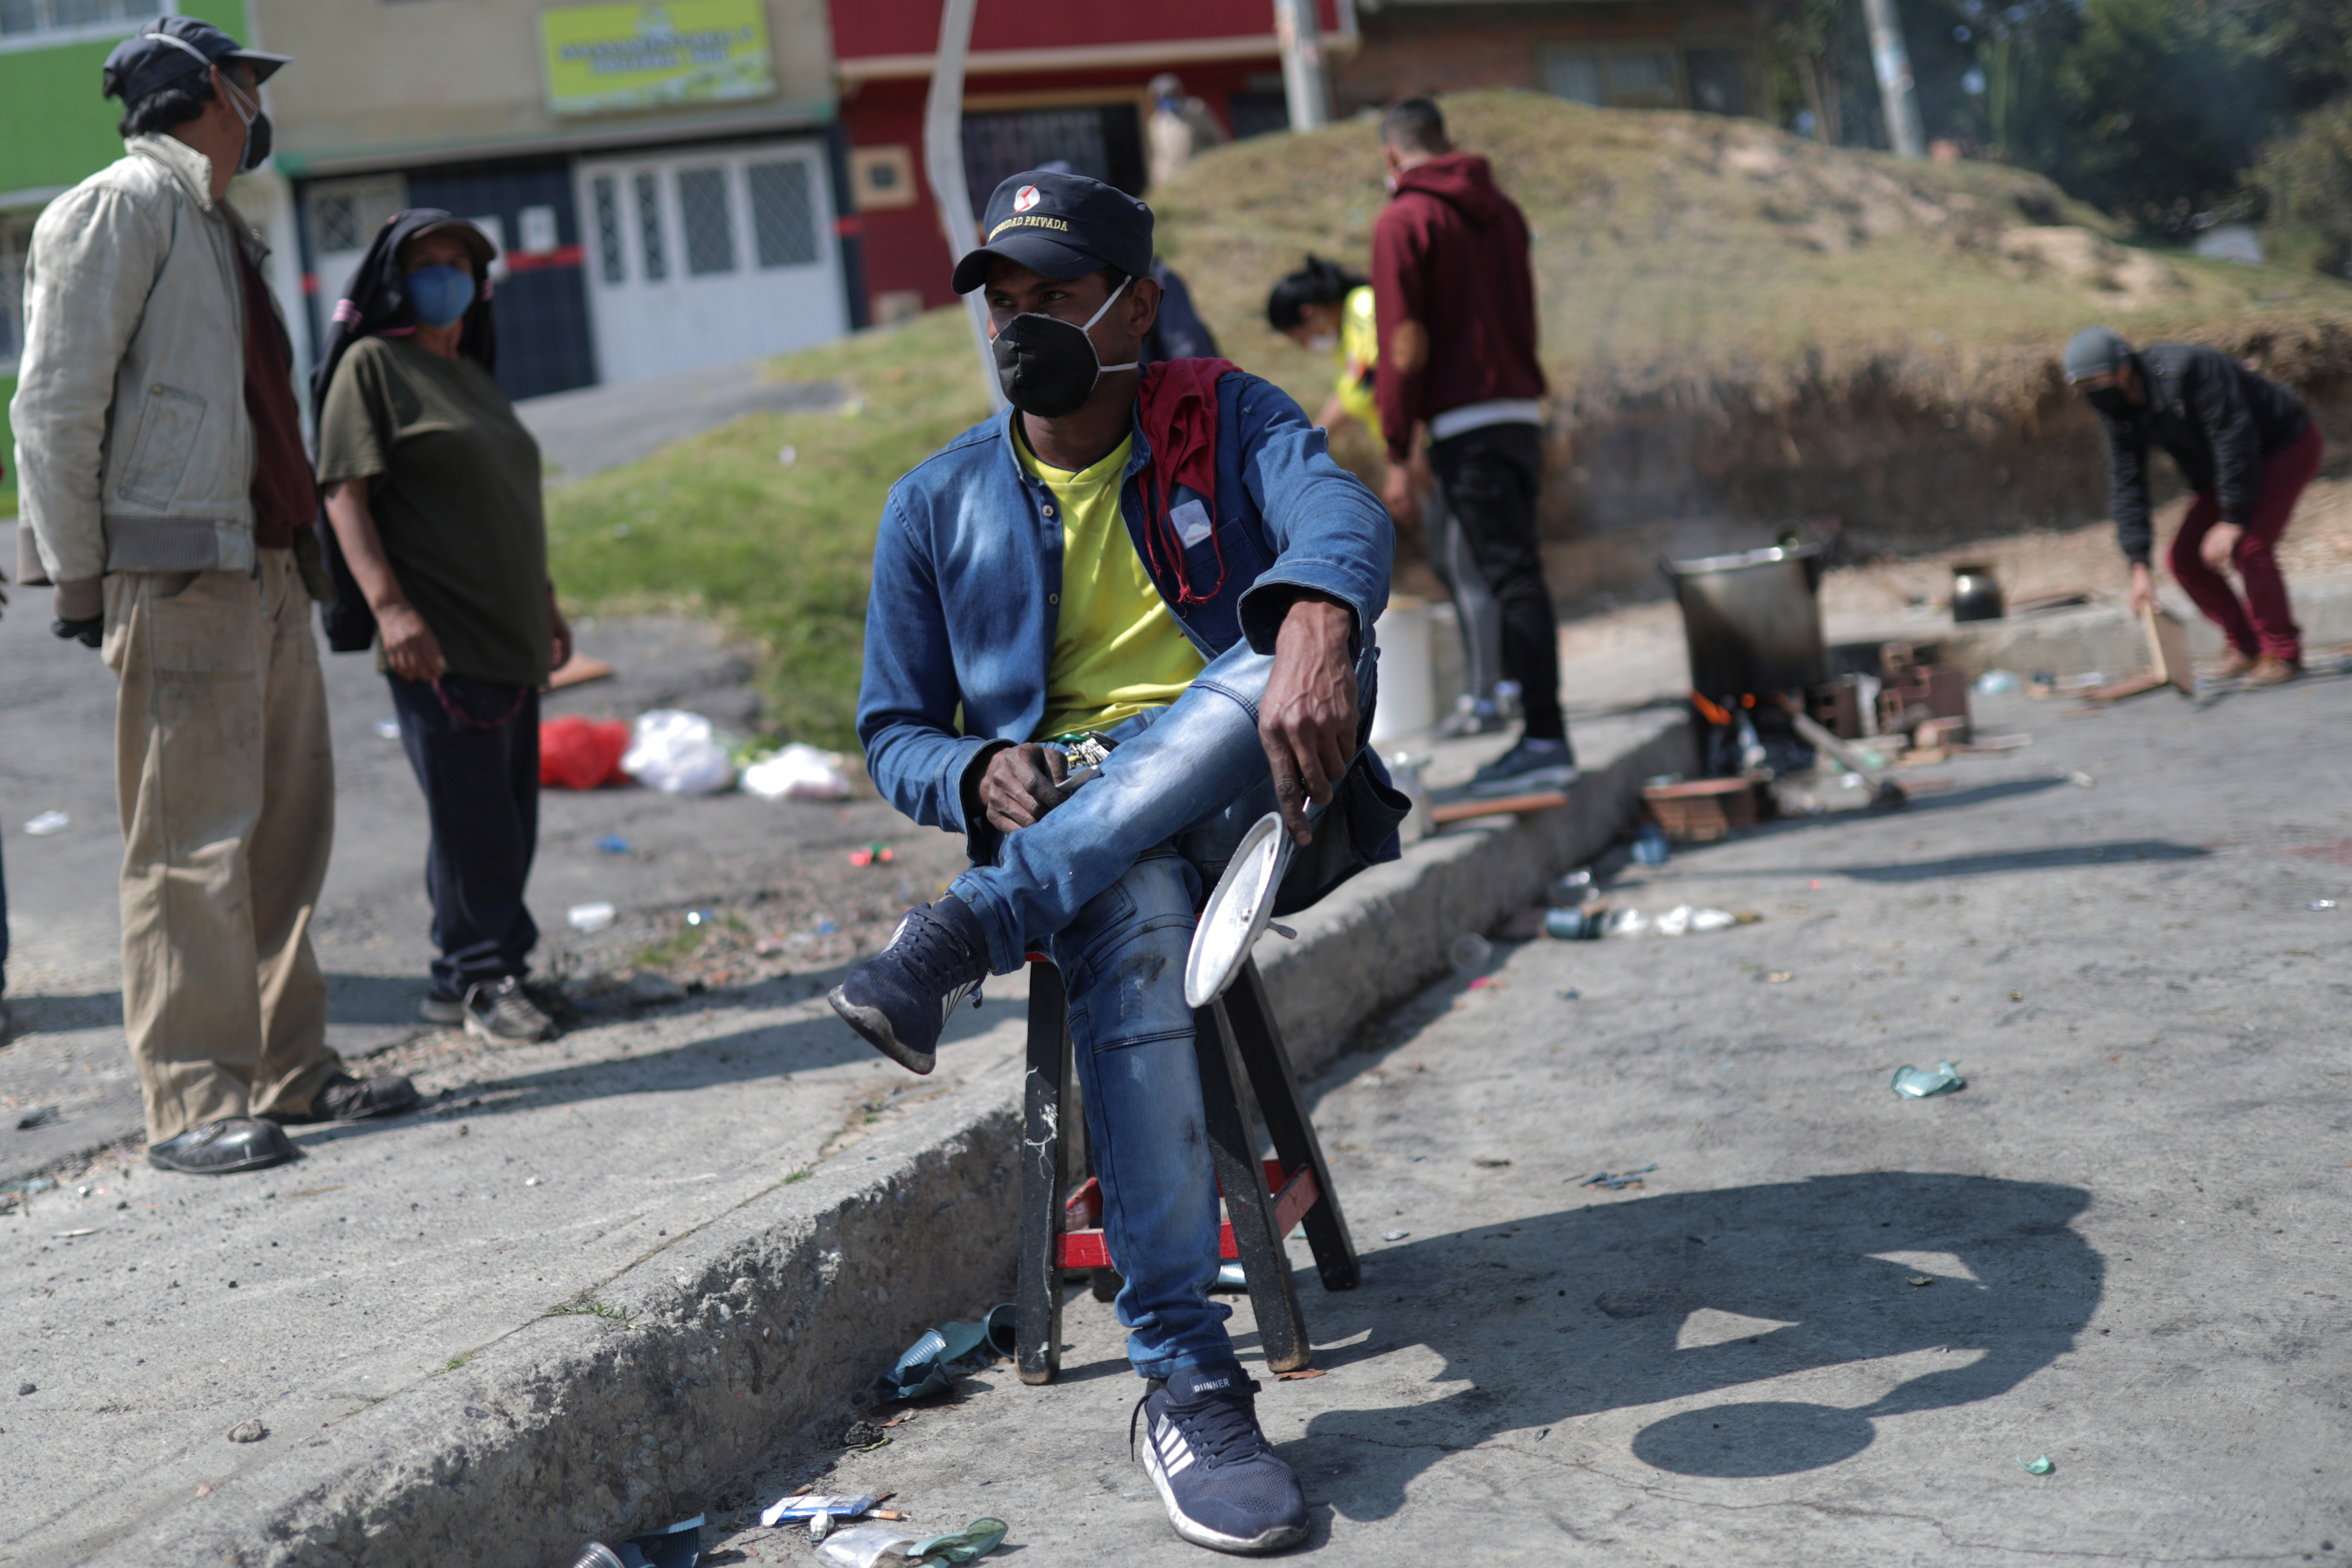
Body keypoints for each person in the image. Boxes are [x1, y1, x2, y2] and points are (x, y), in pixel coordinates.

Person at [830, 169, 1403, 1555]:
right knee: (1127, 895)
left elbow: (1336, 513)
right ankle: (1189, 1384)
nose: (1023, 327)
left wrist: (1325, 610)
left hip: (1253, 797)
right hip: (1094, 833)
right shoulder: (936, 503)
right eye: (1004, 304)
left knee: (1269, 647)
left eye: (1058, 297)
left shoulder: (1225, 414)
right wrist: (971, 769)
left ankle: (961, 931)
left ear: (1134, 305)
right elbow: (892, 730)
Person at [8, 17, 416, 1176]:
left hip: (266, 563)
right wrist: (82, 577)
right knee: (188, 843)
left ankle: (289, 1067)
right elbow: (52, 408)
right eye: (243, 83)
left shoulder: (218, 224)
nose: (255, 101)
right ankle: (191, 1100)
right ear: (197, 92)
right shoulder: (115, 207)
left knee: (286, 832)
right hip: (179, 570)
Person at [316, 212, 571, 1042]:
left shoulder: (469, 368)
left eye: (460, 264)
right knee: (473, 824)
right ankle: (480, 979)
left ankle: (473, 972)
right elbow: (344, 492)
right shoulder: (373, 367)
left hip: (509, 635)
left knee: (506, 817)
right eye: (428, 264)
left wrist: (546, 599)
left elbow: (500, 498)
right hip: (438, 641)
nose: (447, 278)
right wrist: (391, 610)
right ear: (394, 279)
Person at [1371, 96, 1573, 791]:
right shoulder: (1506, 212)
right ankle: (1538, 726)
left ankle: (1545, 736)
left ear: (1393, 155)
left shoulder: (1405, 220)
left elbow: (1403, 342)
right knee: (1520, 573)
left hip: (1464, 422)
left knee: (1510, 576)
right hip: (1519, 410)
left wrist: (1398, 445)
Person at [1269, 254, 1507, 734]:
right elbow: (1352, 393)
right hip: (1422, 451)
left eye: (1297, 337)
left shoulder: (1364, 308)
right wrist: (1300, 447)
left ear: (1309, 313)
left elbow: (1403, 380)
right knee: (1448, 565)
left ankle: (1492, 695)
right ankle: (1490, 690)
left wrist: (1408, 455)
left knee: (1465, 570)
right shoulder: (1352, 335)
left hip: (1436, 448)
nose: (1304, 345)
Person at [2064, 326, 2321, 683]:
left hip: (2283, 447)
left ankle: (2282, 652)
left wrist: (2233, 519)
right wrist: (2138, 565)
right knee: (2183, 559)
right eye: (2082, 388)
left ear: (2123, 369)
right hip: (2225, 471)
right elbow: (2127, 484)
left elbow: (2234, 436)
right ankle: (2245, 644)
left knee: (2249, 549)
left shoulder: (2190, 370)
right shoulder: (2118, 412)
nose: (2090, 394)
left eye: (2095, 383)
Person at [1146, 73, 1230, 189]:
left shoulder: (1196, 109)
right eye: (1160, 97)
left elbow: (1219, 140)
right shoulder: (1157, 121)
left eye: (1169, 95)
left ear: (1179, 93)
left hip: (1199, 177)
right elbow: (1160, 156)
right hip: (1170, 181)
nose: (1165, 100)